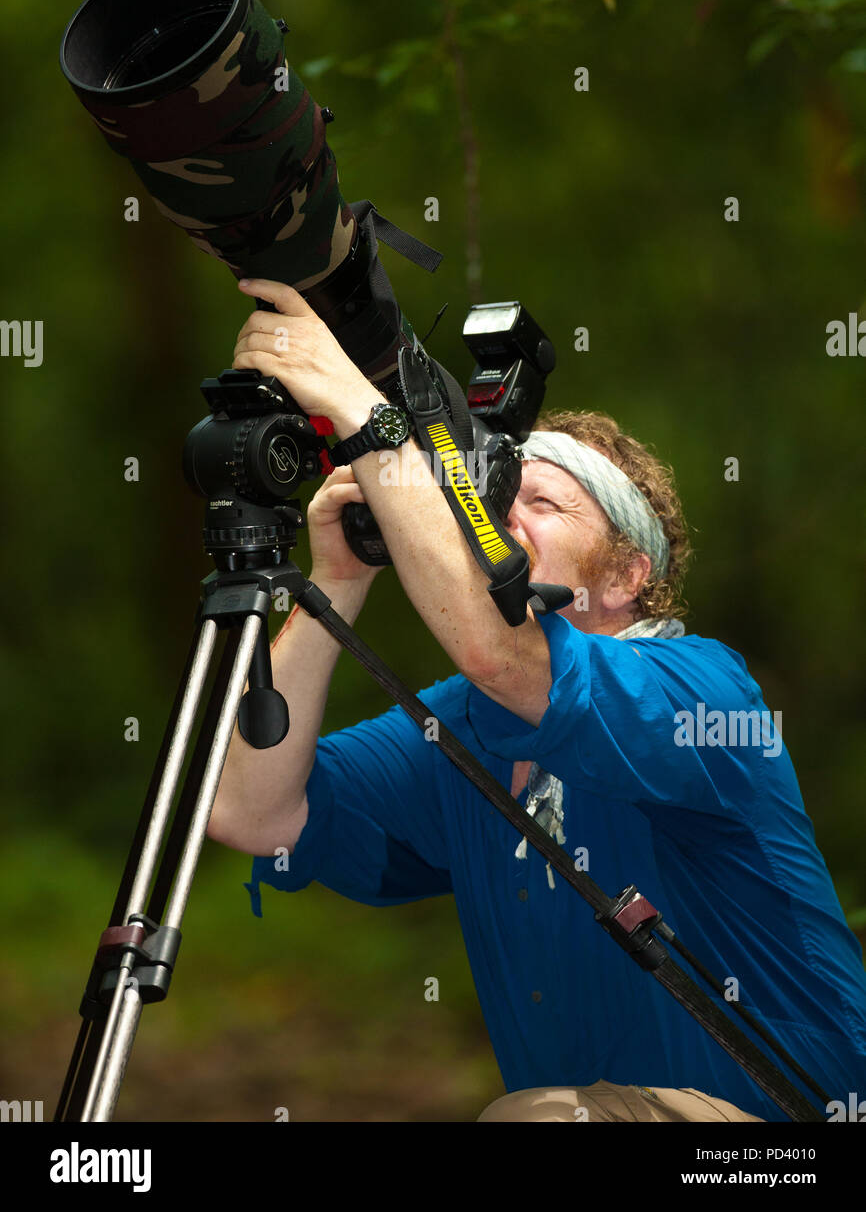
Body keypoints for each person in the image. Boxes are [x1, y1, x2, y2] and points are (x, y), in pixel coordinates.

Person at [206, 278, 866, 1123]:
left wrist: (367, 416)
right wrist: (337, 579)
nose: (502, 520)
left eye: (545, 504)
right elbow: (249, 811)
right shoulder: (460, 721)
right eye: (494, 499)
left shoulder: (702, 688)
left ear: (631, 576)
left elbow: (505, 658)